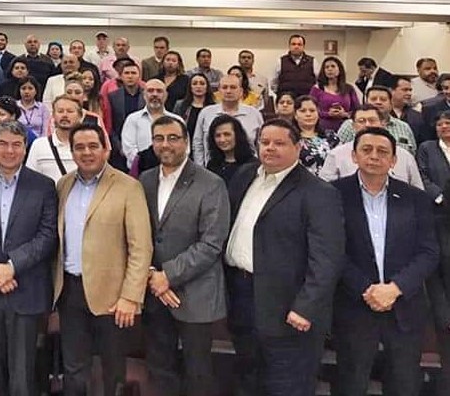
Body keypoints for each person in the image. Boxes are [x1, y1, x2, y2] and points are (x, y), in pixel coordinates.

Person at [224, 119, 344, 396]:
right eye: (265, 142)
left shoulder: (319, 193)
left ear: (298, 147)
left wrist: (306, 307)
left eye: (279, 143)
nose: (270, 148)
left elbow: (327, 259)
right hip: (242, 296)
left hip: (288, 307)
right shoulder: (245, 176)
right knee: (248, 379)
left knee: (287, 385)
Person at [333, 128, 438, 396]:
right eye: (366, 150)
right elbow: (331, 250)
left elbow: (428, 252)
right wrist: (365, 289)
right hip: (354, 305)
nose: (374, 156)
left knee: (404, 384)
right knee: (350, 383)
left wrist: (395, 288)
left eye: (382, 152)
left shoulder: (415, 198)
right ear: (354, 156)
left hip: (404, 305)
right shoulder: (333, 195)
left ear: (393, 160)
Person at [54, 122, 152, 396]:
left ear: (106, 149)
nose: (86, 153)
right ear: (72, 152)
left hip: (113, 296)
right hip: (70, 290)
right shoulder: (64, 185)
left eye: (92, 146)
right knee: (74, 368)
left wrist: (130, 296)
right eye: (79, 147)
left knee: (113, 368)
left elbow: (140, 247)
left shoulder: (128, 187)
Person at [140, 115, 230, 396]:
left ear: (187, 142)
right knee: (159, 368)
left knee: (198, 372)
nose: (165, 144)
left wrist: (168, 275)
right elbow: (139, 235)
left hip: (195, 293)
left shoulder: (211, 183)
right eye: (159, 138)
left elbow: (212, 243)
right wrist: (153, 275)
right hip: (154, 293)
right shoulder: (145, 180)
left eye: (173, 138)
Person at [0, 120, 58, 396]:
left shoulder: (44, 186)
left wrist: (11, 267)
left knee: (23, 378)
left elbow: (47, 235)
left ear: (25, 147)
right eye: (3, 144)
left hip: (25, 290)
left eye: (16, 145)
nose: (10, 151)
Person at [319, 105, 424, 188]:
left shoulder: (403, 155)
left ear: (382, 124)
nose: (367, 125)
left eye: (372, 120)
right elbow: (325, 189)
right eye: (361, 121)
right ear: (353, 126)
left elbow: (417, 190)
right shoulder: (337, 154)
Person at [420, 110, 450, 396]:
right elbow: (423, 175)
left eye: (448, 123)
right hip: (440, 213)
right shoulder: (428, 148)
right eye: (440, 124)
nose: (444, 127)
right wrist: (439, 196)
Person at [191, 75, 263, 166]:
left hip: (249, 168)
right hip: (213, 168)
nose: (228, 91)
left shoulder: (254, 114)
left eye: (233, 87)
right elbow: (198, 144)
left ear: (241, 91)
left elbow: (261, 143)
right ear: (219, 91)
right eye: (224, 87)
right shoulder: (206, 113)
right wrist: (201, 168)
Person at [337, 85, 417, 155]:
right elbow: (338, 152)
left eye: (383, 99)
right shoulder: (349, 125)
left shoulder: (404, 127)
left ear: (391, 104)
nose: (378, 102)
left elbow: (412, 154)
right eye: (373, 99)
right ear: (365, 102)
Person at [120, 79, 181, 170]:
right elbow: (129, 150)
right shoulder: (133, 119)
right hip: (141, 171)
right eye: (150, 91)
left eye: (159, 91)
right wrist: (147, 164)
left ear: (166, 96)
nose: (155, 94)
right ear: (144, 95)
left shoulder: (177, 121)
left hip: (172, 170)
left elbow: (184, 148)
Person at [26, 95, 82, 183]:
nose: (65, 115)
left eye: (70, 111)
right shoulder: (39, 145)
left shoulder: (85, 147)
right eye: (60, 111)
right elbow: (29, 178)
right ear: (53, 115)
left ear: (80, 116)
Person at [102, 60, 145, 170]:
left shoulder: (147, 96)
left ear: (139, 76)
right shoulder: (113, 97)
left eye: (133, 73)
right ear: (121, 76)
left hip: (142, 146)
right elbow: (111, 124)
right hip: (119, 147)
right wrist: (119, 146)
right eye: (127, 73)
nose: (130, 76)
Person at [309, 56, 360, 133]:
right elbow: (310, 109)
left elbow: (357, 110)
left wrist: (345, 114)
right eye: (326, 67)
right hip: (322, 128)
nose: (330, 69)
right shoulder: (317, 89)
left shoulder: (349, 88)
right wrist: (328, 114)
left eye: (333, 66)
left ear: (339, 69)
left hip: (345, 129)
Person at [293, 95, 339, 176]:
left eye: (312, 110)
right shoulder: (290, 138)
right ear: (295, 115)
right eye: (303, 111)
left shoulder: (331, 137)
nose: (308, 114)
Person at [205, 114, 256, 185]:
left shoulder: (253, 165)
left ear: (238, 135)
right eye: (218, 135)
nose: (222, 140)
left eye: (227, 134)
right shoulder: (212, 165)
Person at [174, 73, 215, 151]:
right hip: (185, 148)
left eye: (202, 83)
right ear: (190, 87)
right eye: (195, 83)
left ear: (207, 87)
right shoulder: (180, 106)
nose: (198, 86)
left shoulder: (213, 108)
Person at [271, 34, 317, 98]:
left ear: (303, 46)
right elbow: (274, 82)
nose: (296, 46)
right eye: (293, 44)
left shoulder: (312, 61)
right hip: (286, 100)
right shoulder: (281, 61)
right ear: (289, 46)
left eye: (299, 44)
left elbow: (318, 82)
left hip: (306, 100)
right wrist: (281, 95)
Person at [391, 75, 427, 145]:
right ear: (391, 90)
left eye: (410, 90)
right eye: (405, 90)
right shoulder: (382, 114)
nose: (409, 93)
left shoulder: (417, 116)